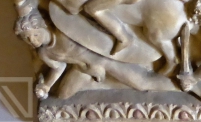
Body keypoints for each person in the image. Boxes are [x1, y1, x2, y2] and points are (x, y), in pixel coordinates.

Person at [14, 12, 175, 99]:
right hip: (82, 69)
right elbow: (58, 67)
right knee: (63, 95)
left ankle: (178, 85)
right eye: (27, 39)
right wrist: (46, 86)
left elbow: (91, 33)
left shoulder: (63, 30)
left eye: (34, 35)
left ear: (42, 26)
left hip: (103, 59)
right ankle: (100, 83)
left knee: (142, 83)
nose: (32, 41)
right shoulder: (44, 52)